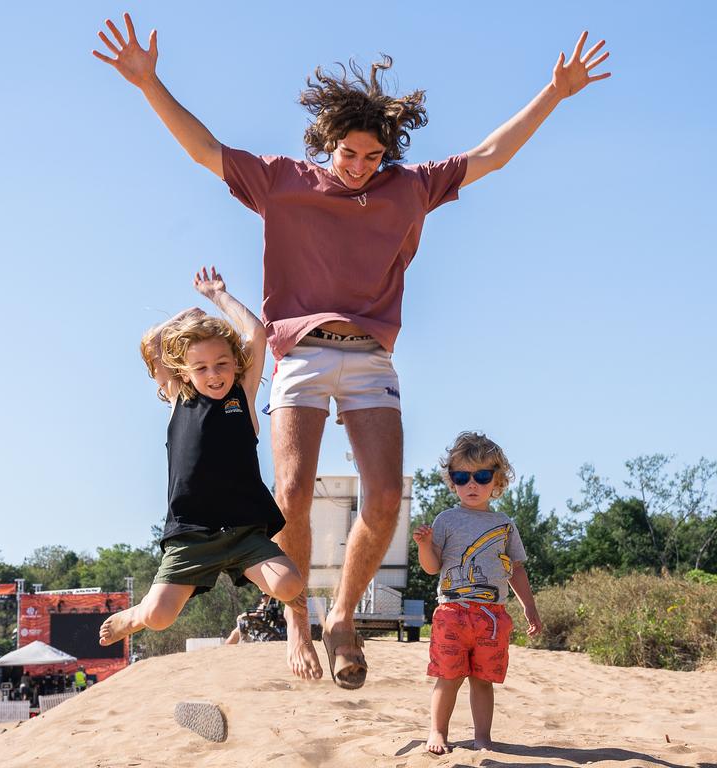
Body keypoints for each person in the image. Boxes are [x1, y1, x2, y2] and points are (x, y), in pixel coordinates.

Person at [93, 12, 608, 687]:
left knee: (388, 496)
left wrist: (554, 92)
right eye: (349, 154)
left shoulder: (410, 187)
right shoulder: (282, 181)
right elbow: (204, 149)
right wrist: (148, 83)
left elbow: (490, 156)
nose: (362, 167)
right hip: (300, 353)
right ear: (326, 143)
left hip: (369, 356)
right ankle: (299, 624)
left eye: (373, 156)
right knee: (291, 491)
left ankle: (341, 619)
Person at [99, 267, 305, 647]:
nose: (214, 374)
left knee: (290, 585)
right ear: (185, 371)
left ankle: (299, 626)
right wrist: (186, 318)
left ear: (235, 363)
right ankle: (134, 616)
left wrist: (218, 296)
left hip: (243, 532)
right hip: (192, 536)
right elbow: (155, 345)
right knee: (159, 618)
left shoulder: (240, 397)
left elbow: (256, 334)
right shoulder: (180, 394)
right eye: (202, 368)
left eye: (222, 364)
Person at [412, 432, 543, 754]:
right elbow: (432, 567)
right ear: (452, 480)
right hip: (452, 613)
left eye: (482, 476)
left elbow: (516, 569)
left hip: (493, 616)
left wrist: (530, 607)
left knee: (483, 680)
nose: (472, 484)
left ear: (497, 480)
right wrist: (424, 545)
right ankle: (437, 732)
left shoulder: (505, 524)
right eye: (462, 476)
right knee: (448, 677)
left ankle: (483, 738)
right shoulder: (446, 519)